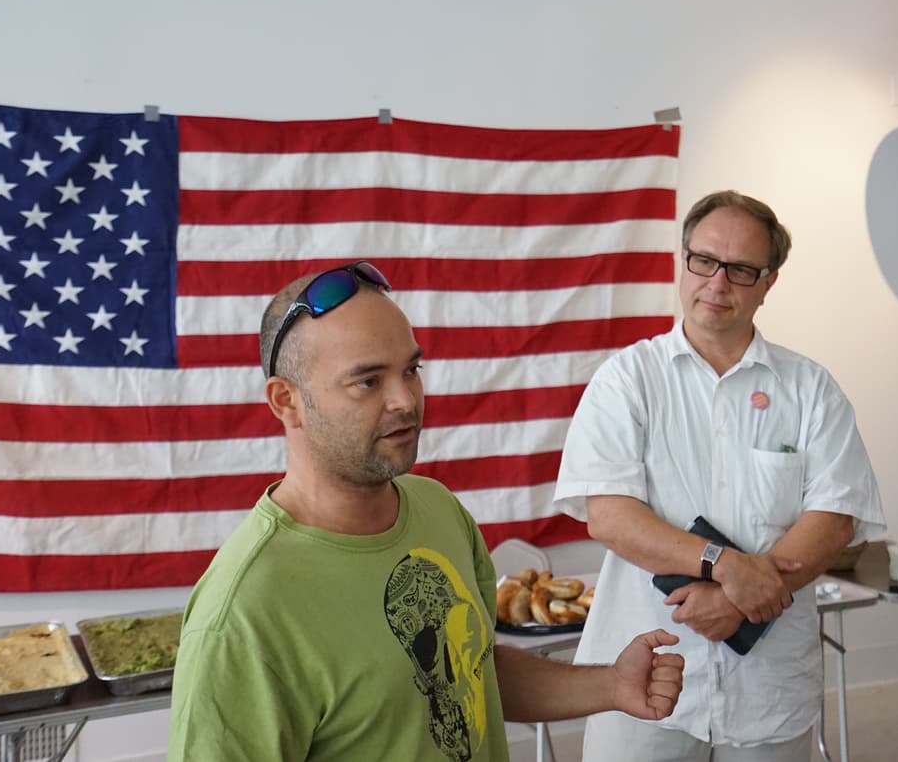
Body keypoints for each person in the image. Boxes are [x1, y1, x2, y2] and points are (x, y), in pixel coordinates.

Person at [167, 261, 685, 761]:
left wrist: (610, 684)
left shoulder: (437, 508)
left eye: (411, 370)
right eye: (367, 380)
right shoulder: (242, 614)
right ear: (286, 402)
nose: (405, 400)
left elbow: (473, 673)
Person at [552, 191, 886, 761]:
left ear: (769, 282)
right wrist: (725, 566)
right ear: (681, 261)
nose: (717, 283)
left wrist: (739, 602)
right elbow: (610, 516)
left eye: (740, 270)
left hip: (767, 686)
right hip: (644, 675)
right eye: (703, 261)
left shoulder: (810, 390)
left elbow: (834, 518)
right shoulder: (626, 380)